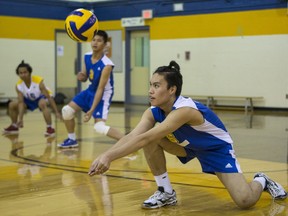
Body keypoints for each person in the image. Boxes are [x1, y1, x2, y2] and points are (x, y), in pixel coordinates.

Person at [88, 60, 287, 209]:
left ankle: (262, 180)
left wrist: (109, 157)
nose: (150, 91)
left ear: (172, 89)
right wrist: (106, 154)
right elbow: (132, 137)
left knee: (245, 201)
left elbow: (144, 138)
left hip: (214, 149)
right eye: (150, 85)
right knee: (149, 137)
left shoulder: (184, 110)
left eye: (156, 86)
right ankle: (165, 192)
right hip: (187, 146)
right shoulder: (152, 111)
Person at [57, 30, 124, 148]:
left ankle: (127, 141)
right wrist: (81, 76)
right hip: (90, 90)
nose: (95, 43)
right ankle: (72, 139)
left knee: (99, 127)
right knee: (66, 111)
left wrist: (91, 110)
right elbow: (85, 76)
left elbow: (101, 88)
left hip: (103, 94)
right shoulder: (87, 56)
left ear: (104, 45)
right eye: (94, 40)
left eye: (99, 40)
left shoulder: (107, 65)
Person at [3, 60, 61, 136]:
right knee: (12, 104)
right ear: (18, 74)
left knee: (42, 103)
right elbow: (21, 102)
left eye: (25, 72)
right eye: (21, 73)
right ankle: (14, 126)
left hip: (41, 97)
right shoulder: (19, 85)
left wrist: (56, 112)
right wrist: (20, 119)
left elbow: (49, 97)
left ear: (29, 73)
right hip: (29, 99)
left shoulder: (38, 81)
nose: (23, 75)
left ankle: (49, 128)